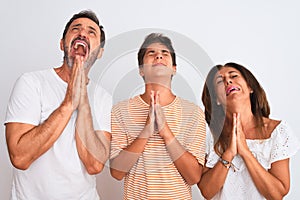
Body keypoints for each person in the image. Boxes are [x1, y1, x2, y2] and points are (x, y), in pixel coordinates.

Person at [5, 10, 112, 199]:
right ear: (62, 44)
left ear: (100, 52)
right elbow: (20, 157)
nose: (82, 34)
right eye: (76, 29)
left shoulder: (104, 98)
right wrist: (69, 102)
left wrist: (83, 99)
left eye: (91, 32)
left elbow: (94, 165)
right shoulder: (31, 83)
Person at [109, 33, 206, 199]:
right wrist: (146, 130)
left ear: (174, 69)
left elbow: (194, 177)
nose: (159, 55)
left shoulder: (193, 112)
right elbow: (117, 172)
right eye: (151, 53)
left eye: (165, 53)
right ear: (141, 70)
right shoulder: (120, 110)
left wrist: (165, 131)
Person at [198, 62, 300, 199]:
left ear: (250, 87)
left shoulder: (277, 131)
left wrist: (245, 152)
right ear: (216, 98)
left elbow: (277, 194)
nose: (228, 81)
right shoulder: (208, 136)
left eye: (233, 76)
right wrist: (228, 153)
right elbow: (207, 192)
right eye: (220, 82)